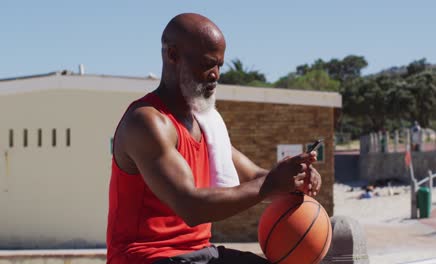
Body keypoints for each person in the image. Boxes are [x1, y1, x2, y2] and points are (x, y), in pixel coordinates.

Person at [106, 13, 322, 264]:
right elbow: (190, 206)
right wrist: (273, 183)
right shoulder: (147, 122)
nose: (215, 75)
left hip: (198, 253)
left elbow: (253, 177)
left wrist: (294, 180)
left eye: (220, 65)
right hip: (146, 257)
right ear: (173, 55)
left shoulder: (206, 122)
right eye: (207, 64)